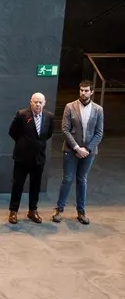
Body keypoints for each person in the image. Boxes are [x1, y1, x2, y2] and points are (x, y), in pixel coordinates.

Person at [53, 81, 104, 225]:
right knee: (67, 179)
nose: (83, 93)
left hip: (89, 152)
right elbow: (65, 129)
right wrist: (77, 148)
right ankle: (59, 209)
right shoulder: (70, 106)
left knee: (82, 180)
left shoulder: (98, 110)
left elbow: (99, 133)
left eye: (86, 90)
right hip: (71, 150)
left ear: (92, 92)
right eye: (81, 90)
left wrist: (87, 149)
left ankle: (81, 212)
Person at [8, 92, 54, 224]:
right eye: (35, 102)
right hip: (22, 157)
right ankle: (13, 211)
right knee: (18, 184)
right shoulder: (22, 115)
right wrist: (23, 143)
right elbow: (13, 132)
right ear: (31, 102)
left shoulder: (49, 117)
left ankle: (32, 210)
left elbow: (48, 134)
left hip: (39, 158)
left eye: (40, 102)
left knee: (36, 185)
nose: (38, 104)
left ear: (44, 103)